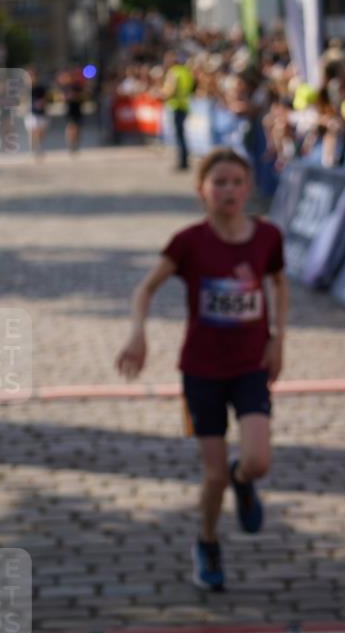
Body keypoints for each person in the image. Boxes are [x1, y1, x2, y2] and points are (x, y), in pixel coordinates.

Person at [116, 147, 289, 591]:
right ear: (202, 191)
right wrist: (138, 334)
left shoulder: (267, 236)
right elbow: (143, 289)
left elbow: (278, 281)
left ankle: (243, 480)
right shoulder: (188, 242)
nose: (229, 190)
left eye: (236, 182)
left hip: (250, 366)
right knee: (211, 475)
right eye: (219, 183)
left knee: (259, 461)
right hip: (201, 372)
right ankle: (207, 543)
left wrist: (278, 337)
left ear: (248, 188)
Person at [162, 50, 194, 170]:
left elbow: (171, 90)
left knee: (179, 136)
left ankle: (182, 162)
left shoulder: (173, 72)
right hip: (185, 105)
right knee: (182, 135)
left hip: (176, 106)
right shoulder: (186, 71)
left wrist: (162, 95)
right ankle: (184, 160)